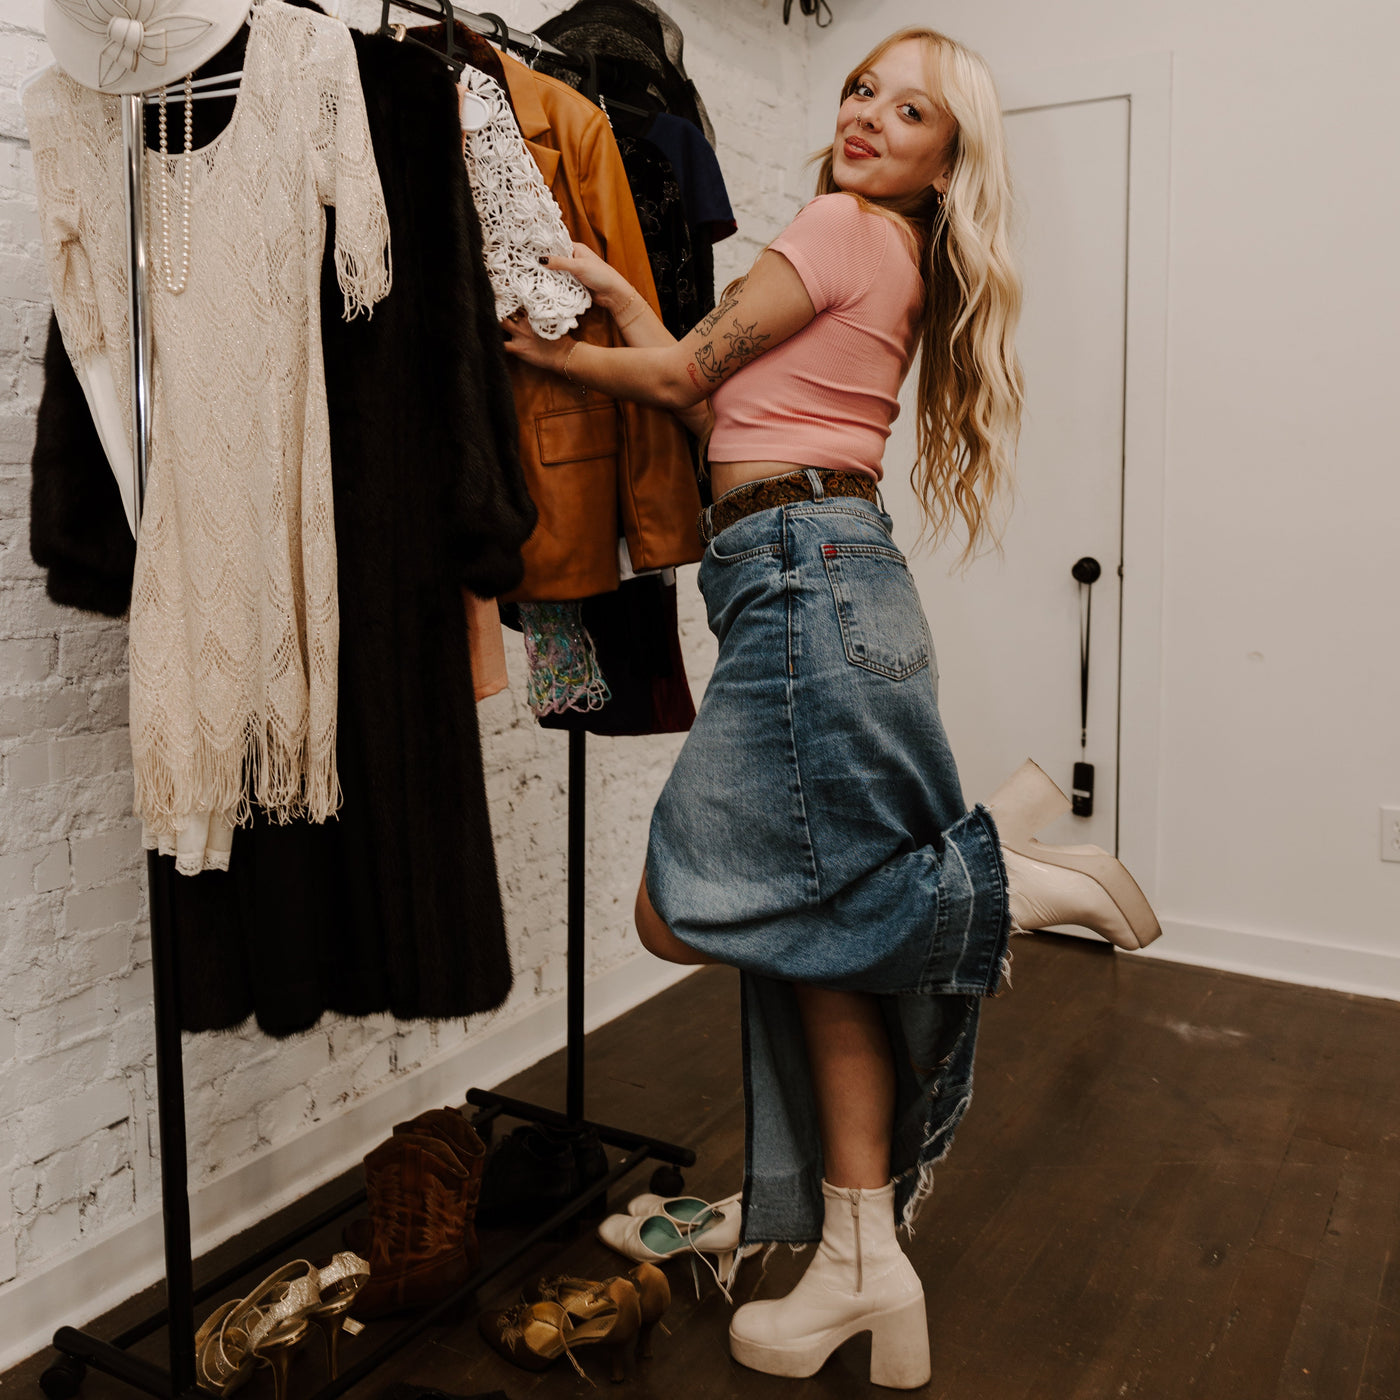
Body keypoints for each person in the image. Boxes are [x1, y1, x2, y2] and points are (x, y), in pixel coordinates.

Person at [502, 25, 1162, 1389]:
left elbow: (687, 384)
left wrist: (530, 354)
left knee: (677, 908)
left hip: (805, 589)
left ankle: (1010, 883)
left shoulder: (844, 225)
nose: (867, 115)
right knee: (819, 949)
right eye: (863, 89)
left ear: (943, 156)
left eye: (907, 109)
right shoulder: (880, 249)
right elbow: (714, 392)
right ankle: (867, 1269)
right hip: (817, 580)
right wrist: (621, 300)